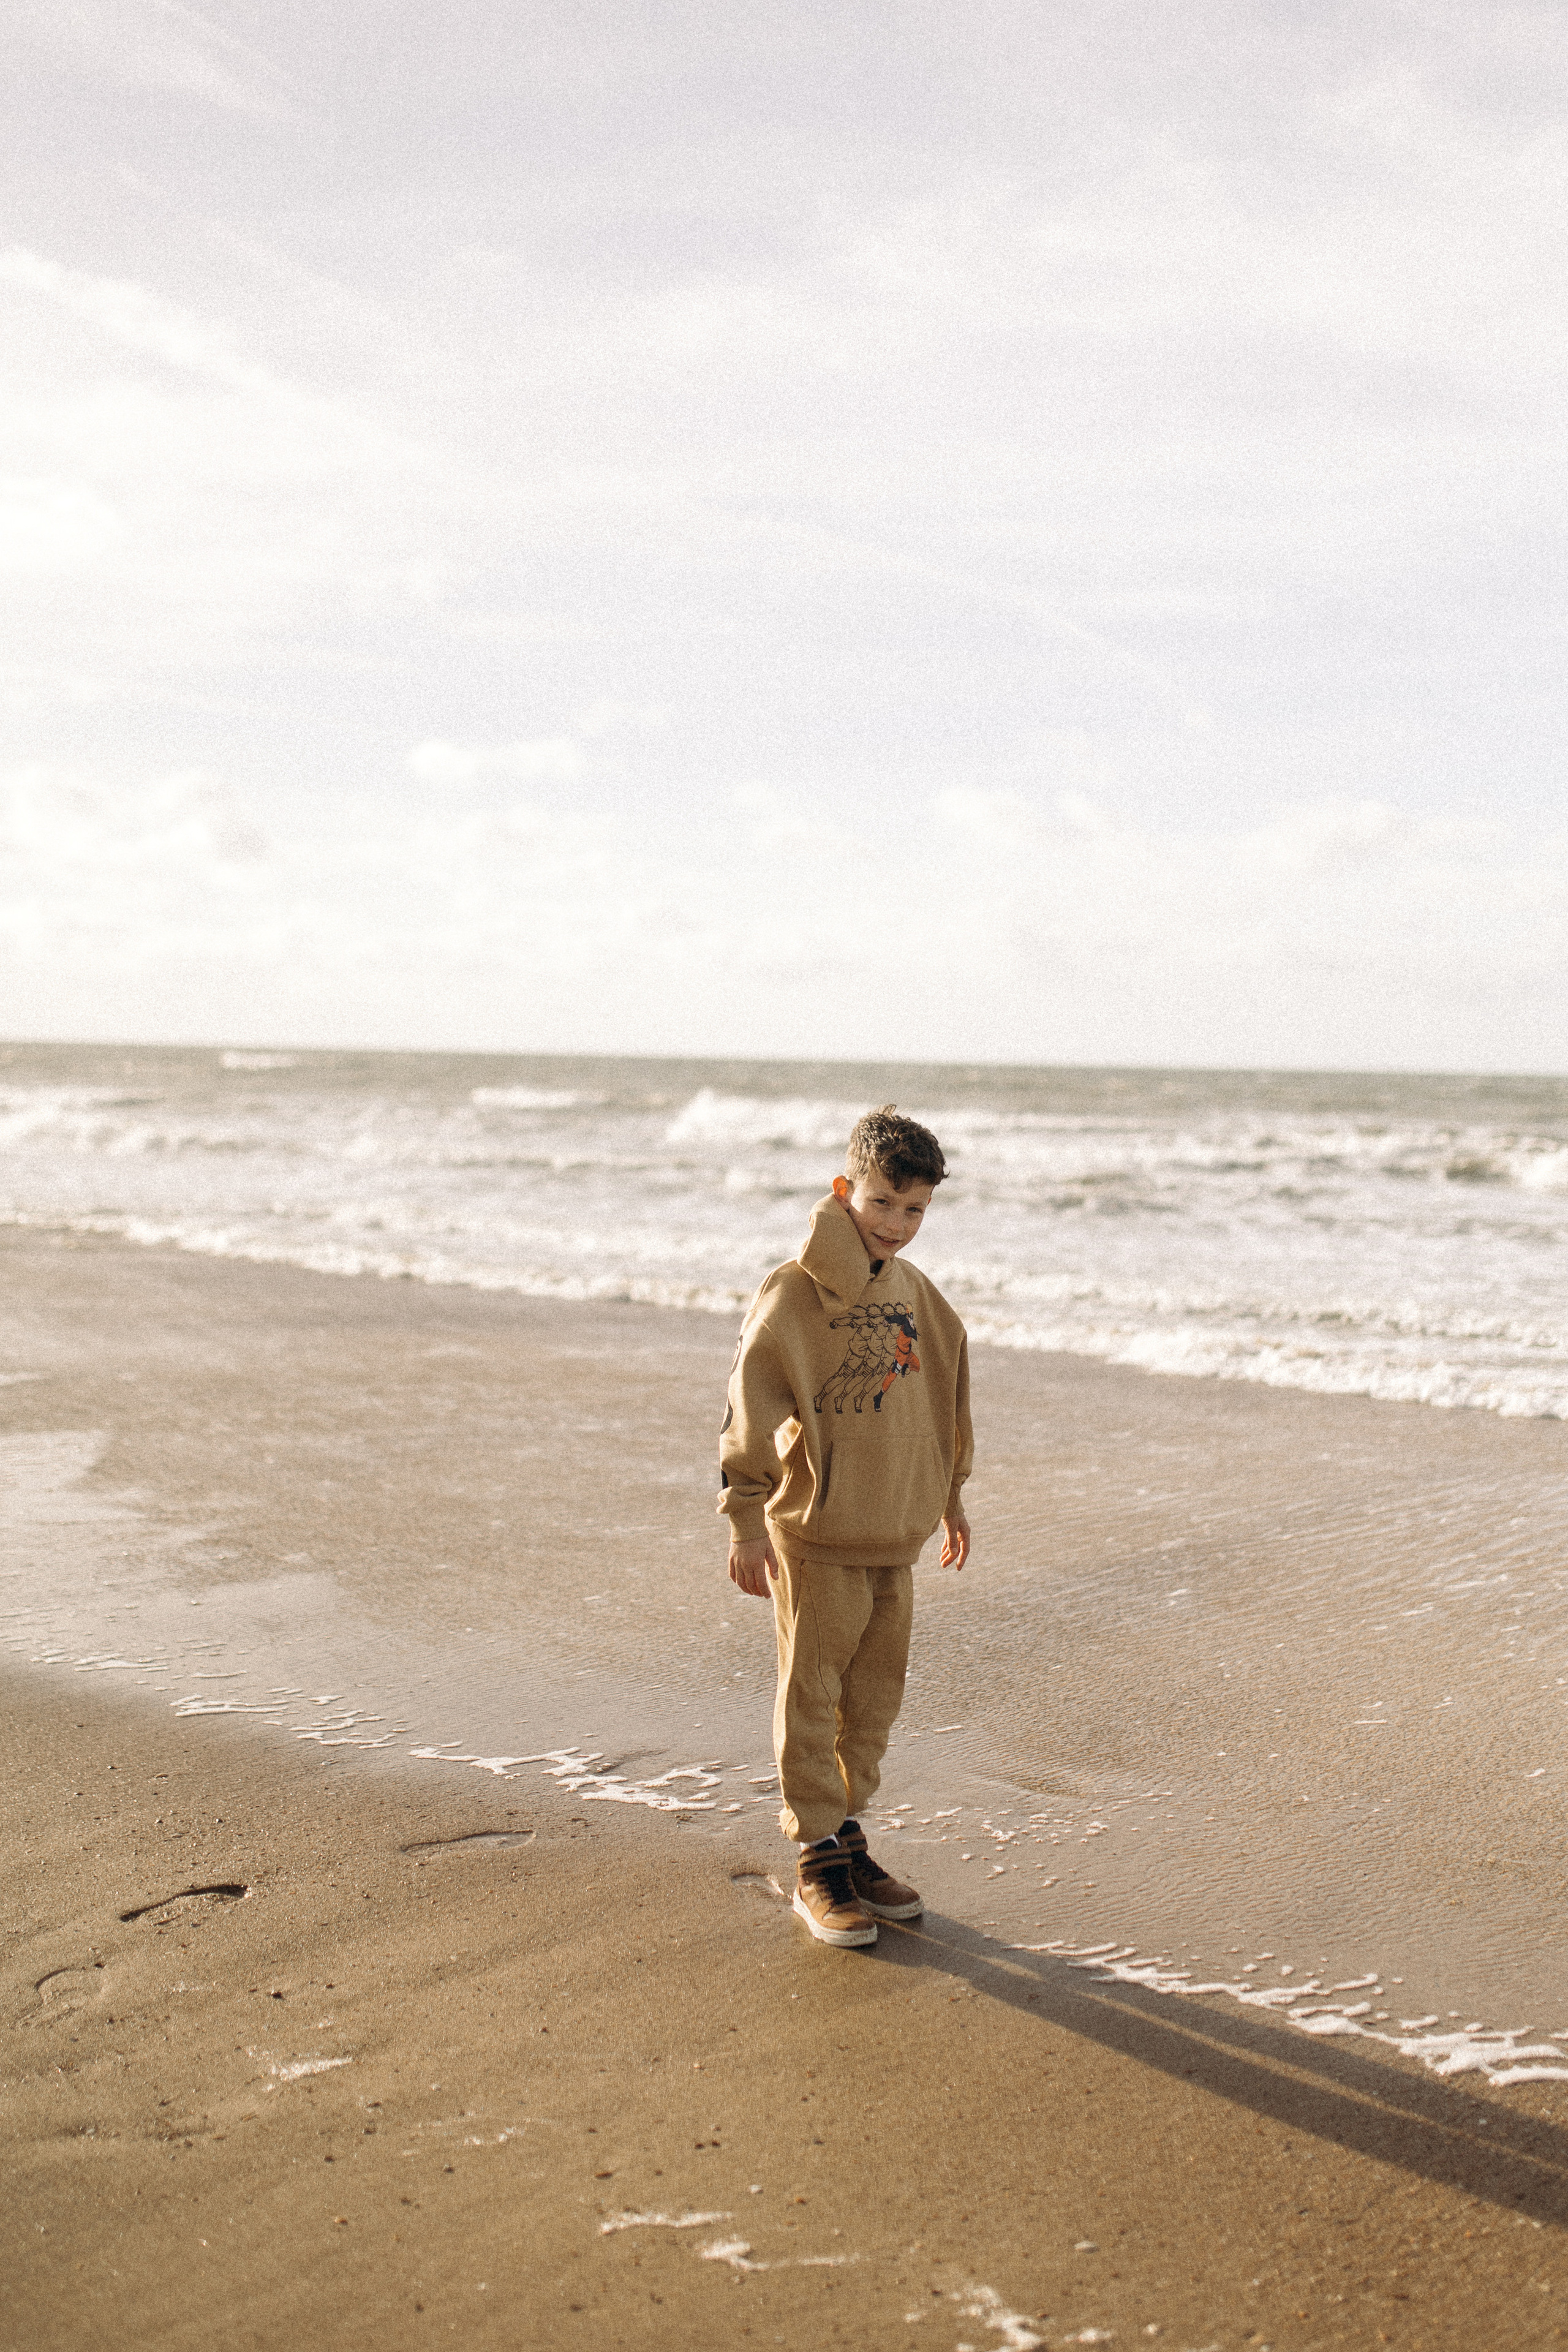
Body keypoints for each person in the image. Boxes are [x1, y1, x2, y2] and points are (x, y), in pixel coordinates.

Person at [720, 1104, 973, 1946]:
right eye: (881, 1202)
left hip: (894, 1533)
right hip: (818, 1535)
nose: (896, 1223)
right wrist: (744, 1519)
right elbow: (749, 1406)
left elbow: (945, 1393)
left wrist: (951, 1495)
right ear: (844, 1190)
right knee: (813, 1694)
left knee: (873, 1700)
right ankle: (815, 1861)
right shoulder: (792, 1294)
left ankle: (846, 1836)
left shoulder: (917, 1295)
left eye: (915, 1209)